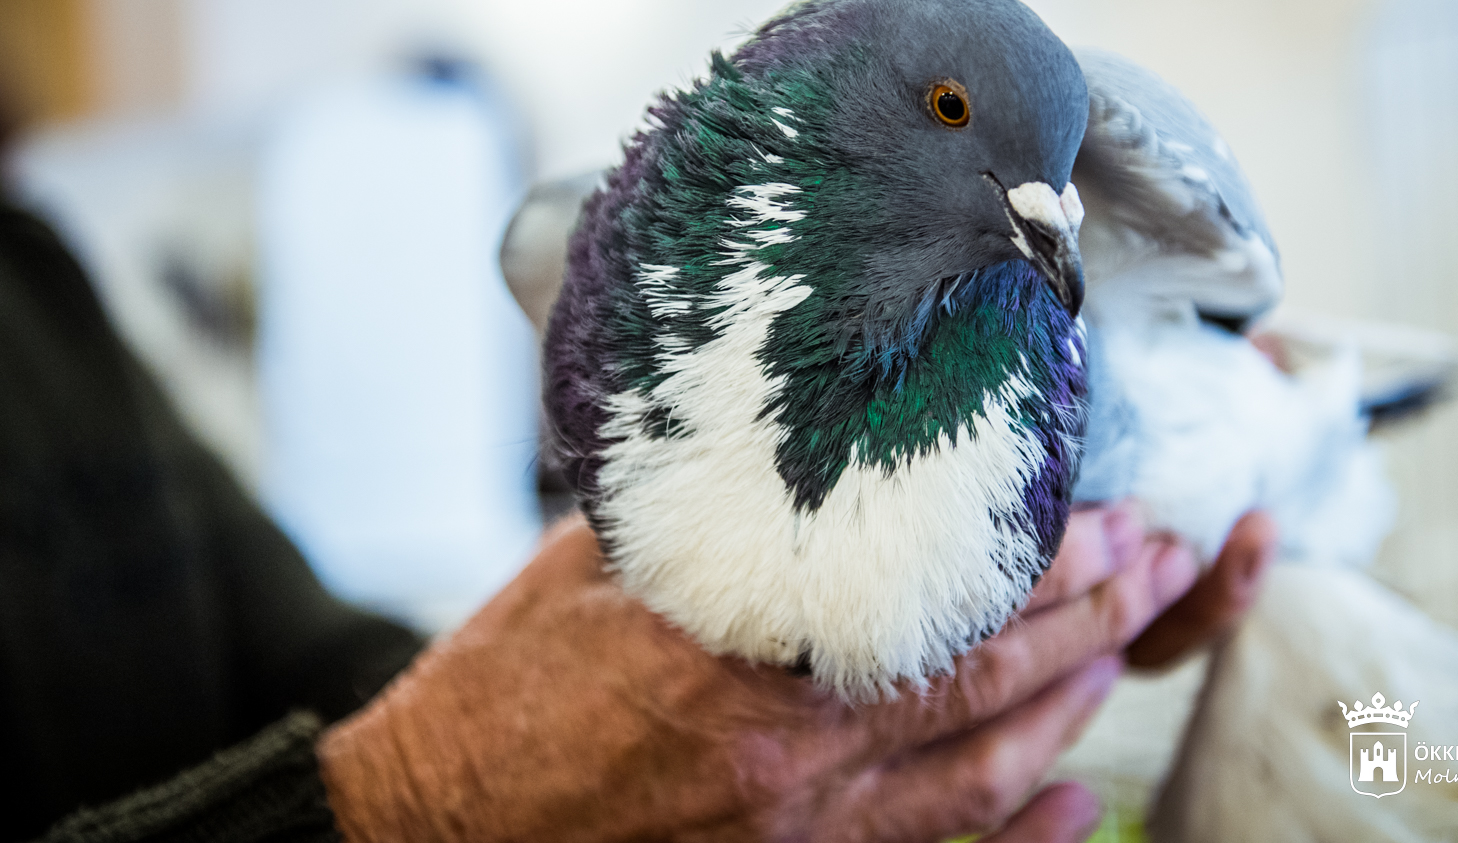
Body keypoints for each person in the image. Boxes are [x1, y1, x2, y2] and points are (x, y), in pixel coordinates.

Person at [1, 192, 1275, 843]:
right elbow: (388, 766)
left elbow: (326, 669)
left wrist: (751, 705)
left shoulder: (34, 284)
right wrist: (410, 809)